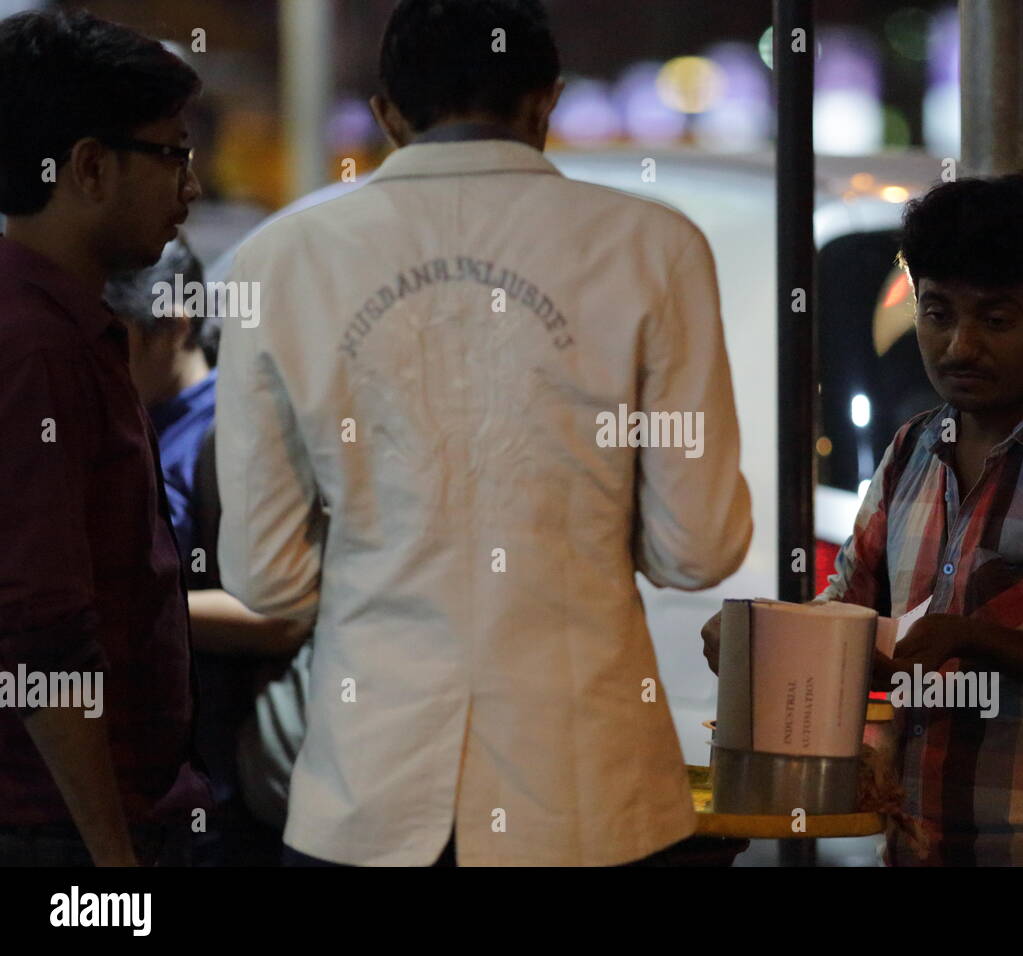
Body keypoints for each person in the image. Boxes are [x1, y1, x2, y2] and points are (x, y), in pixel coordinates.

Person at [216, 0, 751, 866]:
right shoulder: (655, 247)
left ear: (387, 113)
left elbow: (265, 578)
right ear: (547, 100)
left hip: (367, 796)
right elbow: (698, 550)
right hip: (589, 796)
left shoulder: (278, 260)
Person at [704, 175, 1023, 866]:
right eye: (938, 314)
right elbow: (846, 614)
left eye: (995, 321)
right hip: (909, 849)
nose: (960, 346)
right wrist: (759, 637)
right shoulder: (911, 451)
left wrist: (977, 640)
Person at [0, 9, 209, 866]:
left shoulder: (67, 326)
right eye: (172, 155)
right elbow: (41, 632)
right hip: (65, 834)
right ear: (88, 167)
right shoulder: (33, 345)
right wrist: (114, 862)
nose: (190, 189)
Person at [105, 236, 311, 865]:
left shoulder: (231, 431)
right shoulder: (125, 423)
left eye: (117, 339)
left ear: (174, 323)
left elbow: (280, 615)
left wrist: (123, 607)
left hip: (219, 780)